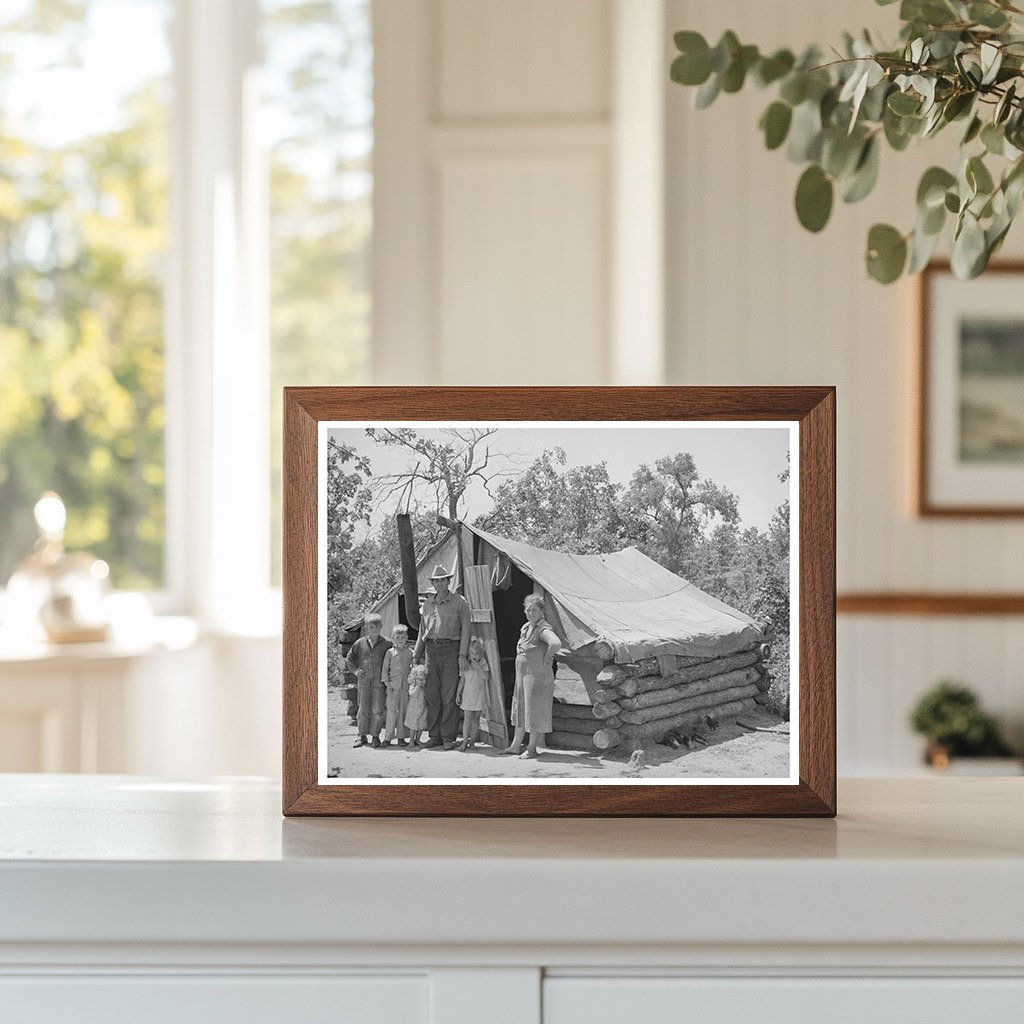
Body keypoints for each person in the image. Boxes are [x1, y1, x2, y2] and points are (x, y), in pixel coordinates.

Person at [413, 564, 470, 751]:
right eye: (436, 581)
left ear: (448, 581)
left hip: (451, 649)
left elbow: (466, 630)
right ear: (433, 583)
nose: (439, 583)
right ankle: (434, 735)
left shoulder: (459, 602)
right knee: (432, 695)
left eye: (443, 580)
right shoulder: (428, 604)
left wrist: (462, 654)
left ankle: (448, 737)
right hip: (431, 650)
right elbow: (423, 630)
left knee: (448, 695)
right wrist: (417, 655)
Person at [500, 593, 562, 759]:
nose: (530, 613)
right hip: (524, 677)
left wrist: (547, 659)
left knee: (533, 711)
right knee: (521, 708)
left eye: (533, 610)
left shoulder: (543, 628)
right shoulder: (526, 627)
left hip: (537, 677)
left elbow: (556, 643)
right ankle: (515, 746)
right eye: (527, 610)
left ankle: (532, 748)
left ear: (541, 611)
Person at [345, 613, 392, 748]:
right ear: (366, 627)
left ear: (381, 627)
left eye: (377, 626)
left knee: (377, 709)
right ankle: (362, 735)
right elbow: (350, 657)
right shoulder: (360, 643)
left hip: (379, 683)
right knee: (363, 709)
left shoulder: (387, 644)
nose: (375, 629)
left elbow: (392, 659)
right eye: (371, 627)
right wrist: (355, 670)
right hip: (364, 683)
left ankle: (375, 736)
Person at [381, 624, 413, 747]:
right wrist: (387, 683)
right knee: (391, 713)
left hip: (405, 688)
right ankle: (388, 738)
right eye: (397, 637)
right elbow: (384, 669)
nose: (400, 640)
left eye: (403, 637)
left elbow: (414, 668)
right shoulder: (390, 652)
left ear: (407, 638)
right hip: (392, 687)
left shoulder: (410, 652)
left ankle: (401, 737)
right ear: (393, 638)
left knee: (403, 712)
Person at [457, 636, 490, 751]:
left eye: (476, 653)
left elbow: (486, 677)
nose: (474, 655)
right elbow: (462, 681)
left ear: (481, 654)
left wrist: (479, 667)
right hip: (467, 696)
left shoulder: (483, 663)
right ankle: (464, 742)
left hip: (479, 696)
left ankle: (472, 742)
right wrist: (458, 694)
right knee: (467, 720)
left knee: (476, 720)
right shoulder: (466, 665)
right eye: (471, 653)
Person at [404, 664, 428, 747]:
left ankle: (417, 739)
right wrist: (417, 686)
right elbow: (412, 694)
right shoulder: (413, 686)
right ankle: (411, 741)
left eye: (423, 679)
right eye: (419, 679)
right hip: (413, 710)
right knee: (413, 725)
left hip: (422, 709)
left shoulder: (424, 689)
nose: (421, 681)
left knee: (421, 725)